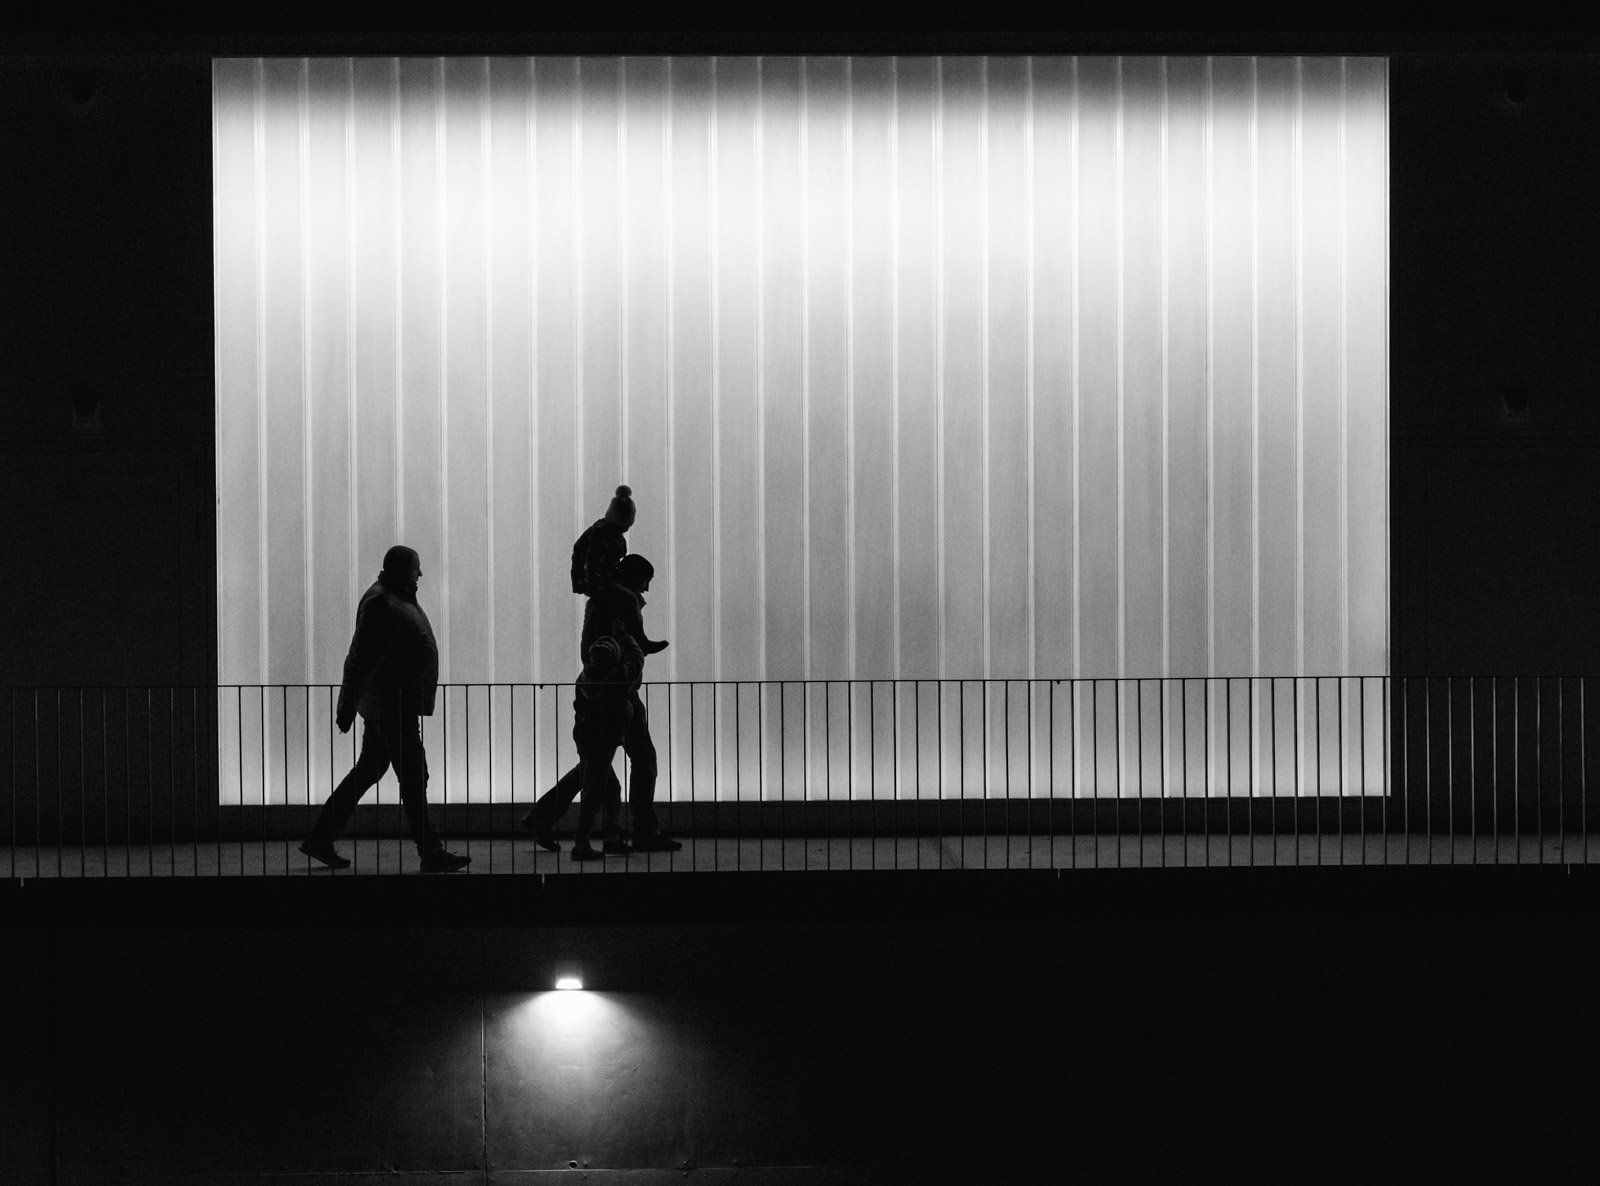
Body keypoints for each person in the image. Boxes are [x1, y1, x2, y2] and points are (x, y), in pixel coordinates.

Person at [300, 545, 471, 873]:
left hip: (388, 703)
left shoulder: (391, 597)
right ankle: (430, 850)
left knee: (372, 770)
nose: (420, 574)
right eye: (416, 568)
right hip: (391, 706)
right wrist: (346, 705)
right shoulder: (383, 602)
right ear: (402, 570)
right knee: (412, 774)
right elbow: (359, 658)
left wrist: (351, 704)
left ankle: (320, 838)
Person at [523, 553, 681, 855]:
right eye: (645, 582)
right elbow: (632, 646)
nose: (647, 589)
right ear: (634, 579)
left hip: (602, 695)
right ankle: (638, 832)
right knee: (636, 763)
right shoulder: (622, 602)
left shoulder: (599, 600)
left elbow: (592, 650)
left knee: (595, 767)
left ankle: (545, 818)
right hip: (619, 695)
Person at [564, 621, 643, 861]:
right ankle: (582, 843)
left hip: (586, 739)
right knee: (594, 792)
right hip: (605, 740)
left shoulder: (584, 678)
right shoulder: (617, 678)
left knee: (609, 788)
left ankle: (611, 838)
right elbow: (637, 662)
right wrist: (628, 639)